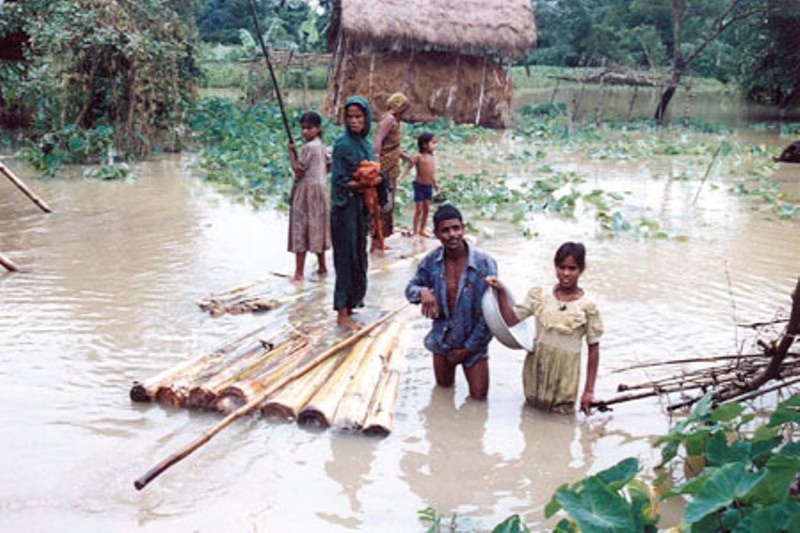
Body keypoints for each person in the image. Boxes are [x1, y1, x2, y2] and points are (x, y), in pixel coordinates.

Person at [486, 242, 603, 414]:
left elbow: (593, 350)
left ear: (581, 269)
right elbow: (511, 320)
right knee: (531, 415)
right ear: (555, 267)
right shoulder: (540, 296)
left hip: (566, 373)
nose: (566, 273)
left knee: (561, 418)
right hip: (537, 366)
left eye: (572, 268)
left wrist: (589, 391)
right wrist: (501, 292)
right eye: (561, 267)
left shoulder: (587, 307)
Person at [405, 204, 497, 399]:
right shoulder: (430, 262)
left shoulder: (485, 263)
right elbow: (409, 290)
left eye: (456, 228)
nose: (452, 234)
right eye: (445, 230)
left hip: (474, 342)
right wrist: (422, 292)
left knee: (479, 401)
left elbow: (491, 314)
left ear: (463, 228)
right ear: (437, 234)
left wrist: (467, 349)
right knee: (443, 395)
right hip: (442, 340)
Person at [330, 96, 381, 330]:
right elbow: (340, 182)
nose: (354, 121)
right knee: (345, 259)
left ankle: (351, 305)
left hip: (360, 208)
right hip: (344, 208)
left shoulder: (366, 144)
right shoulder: (343, 145)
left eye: (358, 117)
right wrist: (366, 183)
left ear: (366, 118)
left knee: (359, 257)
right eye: (350, 117)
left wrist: (376, 182)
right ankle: (341, 313)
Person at [287, 111, 331, 281]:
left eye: (309, 128)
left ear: (318, 128)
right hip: (320, 191)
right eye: (303, 128)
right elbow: (328, 165)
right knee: (318, 228)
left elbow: (298, 171)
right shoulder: (321, 145)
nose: (305, 132)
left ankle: (298, 273)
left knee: (301, 230)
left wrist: (291, 153)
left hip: (306, 192)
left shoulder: (308, 147)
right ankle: (322, 266)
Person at [371, 92, 411, 251]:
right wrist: (377, 163)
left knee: (387, 204)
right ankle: (375, 243)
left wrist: (404, 157)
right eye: (404, 107)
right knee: (383, 203)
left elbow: (391, 145)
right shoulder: (388, 120)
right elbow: (378, 141)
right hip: (385, 167)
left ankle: (380, 240)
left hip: (391, 167)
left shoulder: (395, 121)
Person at [398, 132, 438, 237]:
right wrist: (400, 178)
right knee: (418, 210)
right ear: (424, 144)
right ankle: (415, 230)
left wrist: (435, 184)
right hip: (419, 186)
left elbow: (431, 173)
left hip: (428, 186)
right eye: (433, 143)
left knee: (427, 209)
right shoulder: (418, 156)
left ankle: (422, 230)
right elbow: (408, 168)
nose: (435, 146)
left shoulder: (431, 157)